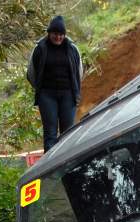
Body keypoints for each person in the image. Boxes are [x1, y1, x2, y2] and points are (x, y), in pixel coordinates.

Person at [27, 16, 84, 152]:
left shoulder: (72, 49)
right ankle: (51, 170)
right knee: (50, 133)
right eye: (55, 34)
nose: (58, 37)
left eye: (61, 34)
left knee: (68, 133)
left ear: (64, 34)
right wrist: (40, 90)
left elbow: (79, 72)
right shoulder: (40, 49)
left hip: (68, 94)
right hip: (47, 95)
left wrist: (74, 90)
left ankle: (68, 166)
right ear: (49, 33)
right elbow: (31, 73)